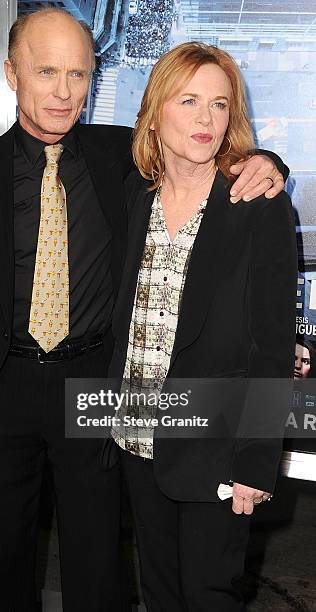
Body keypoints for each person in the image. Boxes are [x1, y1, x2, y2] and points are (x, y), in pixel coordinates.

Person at [0, 10, 288, 612]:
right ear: (12, 74)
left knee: (100, 564)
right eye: (46, 72)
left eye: (78, 74)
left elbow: (206, 141)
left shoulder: (117, 155)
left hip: (91, 385)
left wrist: (267, 163)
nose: (64, 92)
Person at [108, 42, 297, 611]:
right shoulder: (134, 195)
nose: (205, 118)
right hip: (135, 439)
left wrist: (255, 461)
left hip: (215, 447)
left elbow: (271, 347)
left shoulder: (256, 205)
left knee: (208, 596)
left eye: (219, 104)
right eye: (188, 100)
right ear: (155, 109)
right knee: (160, 593)